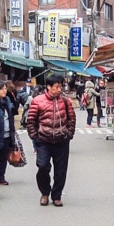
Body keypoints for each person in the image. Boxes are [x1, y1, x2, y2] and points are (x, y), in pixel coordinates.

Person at [26, 73, 76, 207]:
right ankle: (44, 192)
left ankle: (57, 196)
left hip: (61, 141)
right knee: (42, 167)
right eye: (56, 87)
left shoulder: (65, 101)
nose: (59, 90)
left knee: (61, 171)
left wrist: (69, 134)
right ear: (48, 87)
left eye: (61, 87)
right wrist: (35, 136)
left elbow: (72, 119)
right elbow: (30, 121)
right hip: (43, 141)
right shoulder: (37, 101)